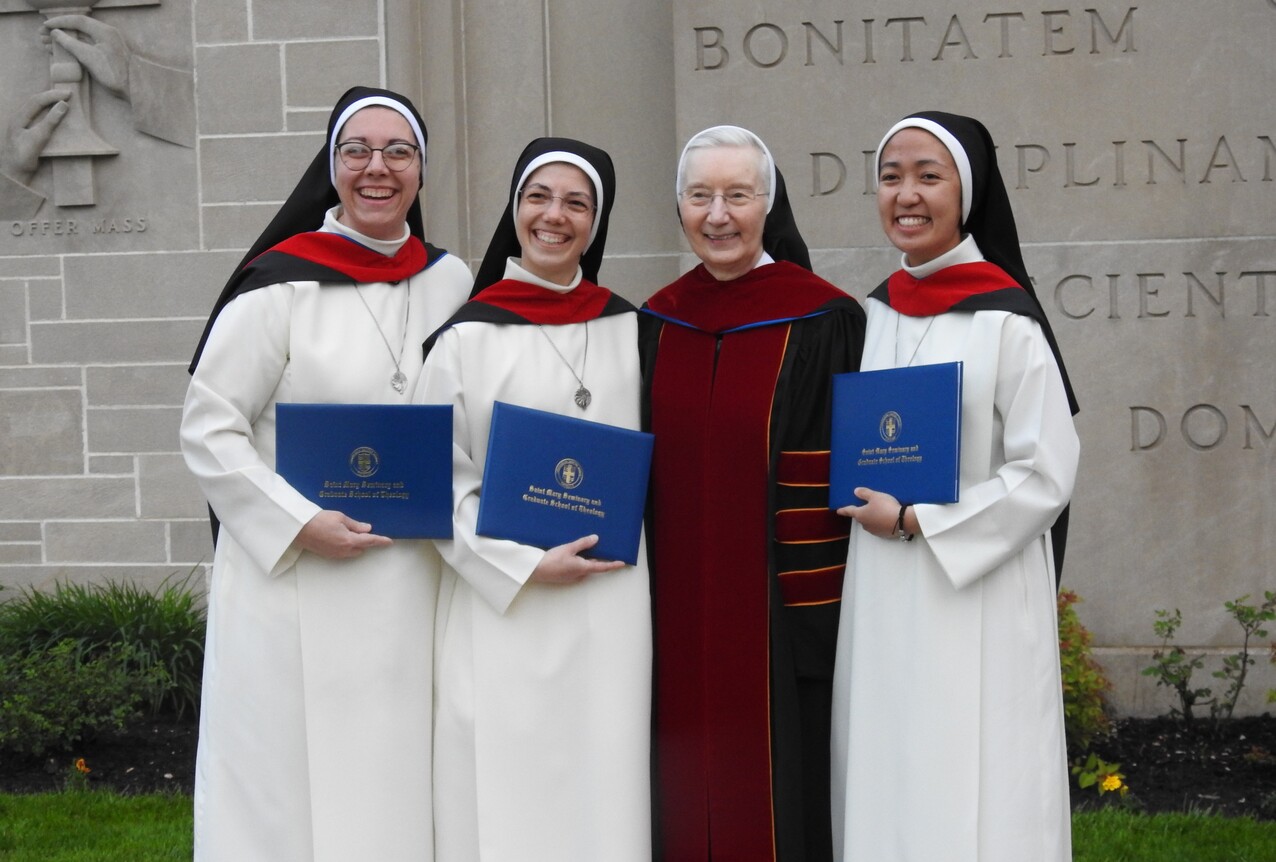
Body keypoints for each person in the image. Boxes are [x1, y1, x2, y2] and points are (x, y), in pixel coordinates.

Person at [180, 86, 472, 861]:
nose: (377, 169)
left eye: (397, 153)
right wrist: (296, 522)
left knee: (392, 773)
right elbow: (210, 427)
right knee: (286, 784)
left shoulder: (451, 282)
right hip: (294, 585)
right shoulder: (278, 285)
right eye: (357, 152)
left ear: (421, 170)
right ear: (332, 166)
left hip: (409, 579)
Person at [829, 111, 1081, 862]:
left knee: (976, 772)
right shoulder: (867, 315)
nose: (906, 195)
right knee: (887, 761)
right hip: (879, 587)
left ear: (966, 193)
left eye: (928, 177)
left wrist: (921, 521)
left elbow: (1046, 471)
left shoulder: (1006, 321)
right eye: (890, 177)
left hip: (977, 590)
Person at [417, 137, 652, 861]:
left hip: (612, 606)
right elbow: (436, 480)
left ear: (597, 220)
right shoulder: (463, 339)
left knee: (603, 782)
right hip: (504, 605)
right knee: (508, 787)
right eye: (538, 198)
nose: (554, 217)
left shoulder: (631, 328)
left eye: (576, 203)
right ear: (515, 211)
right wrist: (520, 566)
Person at [640, 125, 866, 861]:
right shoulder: (653, 322)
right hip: (667, 614)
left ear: (769, 207)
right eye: (701, 196)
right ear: (678, 209)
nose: (718, 215)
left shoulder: (825, 320)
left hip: (781, 623)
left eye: (738, 195)